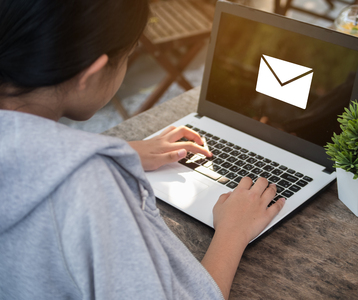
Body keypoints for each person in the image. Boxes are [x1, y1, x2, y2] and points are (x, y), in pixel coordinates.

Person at [0, 0, 285, 299]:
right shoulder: (87, 187)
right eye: (128, 54)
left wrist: (115, 151)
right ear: (92, 72)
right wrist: (233, 232)